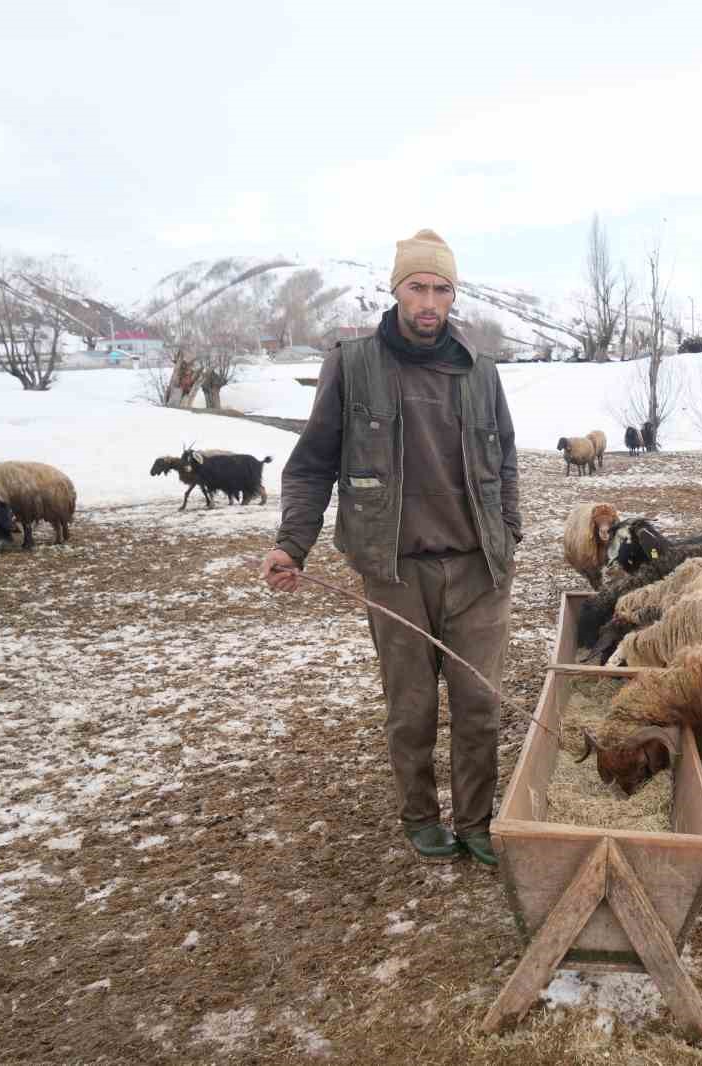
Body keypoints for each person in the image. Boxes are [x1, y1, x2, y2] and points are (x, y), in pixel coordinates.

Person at [261, 229, 521, 866]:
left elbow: (506, 458)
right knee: (410, 708)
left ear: (452, 295)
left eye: (441, 289)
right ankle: (420, 816)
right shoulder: (353, 365)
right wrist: (293, 543)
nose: (429, 301)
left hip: (477, 568)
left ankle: (477, 822)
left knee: (479, 704)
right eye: (418, 287)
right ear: (396, 288)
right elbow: (310, 465)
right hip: (396, 570)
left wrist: (508, 531)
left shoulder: (481, 371)